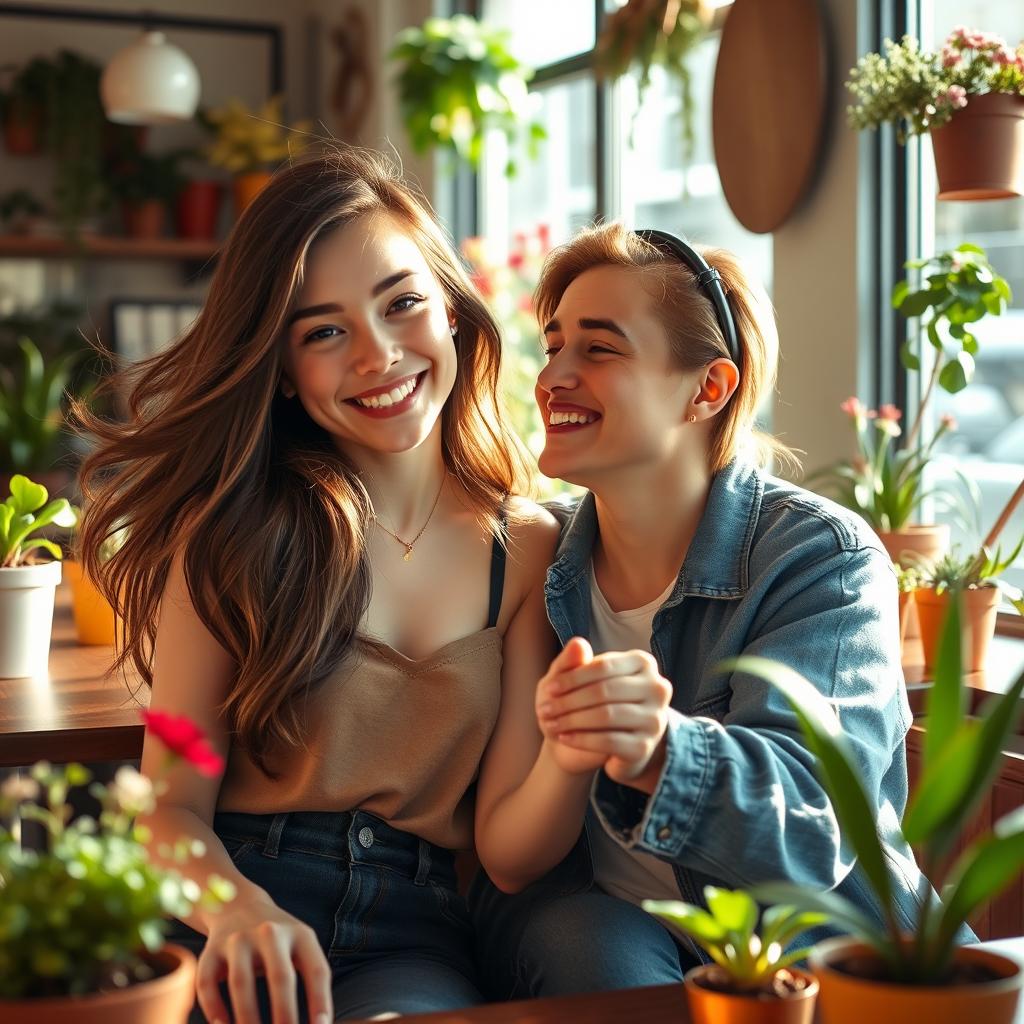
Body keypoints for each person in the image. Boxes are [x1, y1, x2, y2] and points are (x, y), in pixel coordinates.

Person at [76, 148, 559, 1024]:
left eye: (402, 303)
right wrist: (242, 914)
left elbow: (509, 848)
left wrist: (584, 737)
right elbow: (167, 810)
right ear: (287, 373)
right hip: (232, 906)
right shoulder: (231, 536)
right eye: (325, 331)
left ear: (451, 311)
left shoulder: (527, 549)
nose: (378, 355)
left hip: (414, 933)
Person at [470, 222, 935, 1000]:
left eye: (600, 348)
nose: (553, 375)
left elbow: (814, 827)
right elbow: (510, 855)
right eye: (553, 346)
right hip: (611, 930)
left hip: (815, 947)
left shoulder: (820, 558)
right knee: (578, 938)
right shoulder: (538, 559)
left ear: (707, 390)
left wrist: (659, 751)